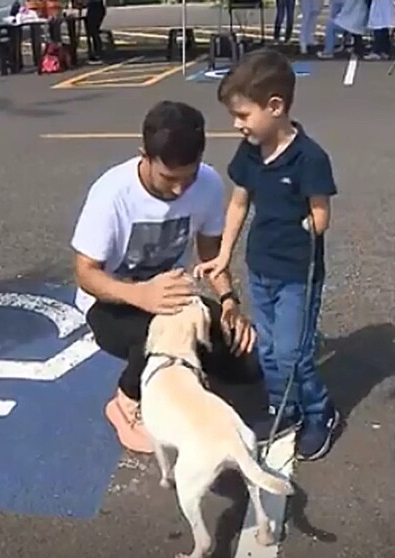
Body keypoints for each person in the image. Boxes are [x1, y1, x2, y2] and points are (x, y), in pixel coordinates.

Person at [70, 100, 258, 454]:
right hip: (111, 303)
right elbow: (85, 274)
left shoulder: (208, 184)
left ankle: (185, 370)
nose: (178, 190)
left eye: (188, 177)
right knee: (157, 336)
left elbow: (209, 256)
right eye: (169, 178)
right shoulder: (112, 194)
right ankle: (124, 403)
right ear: (145, 154)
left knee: (243, 365)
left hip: (172, 296)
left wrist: (230, 301)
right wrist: (140, 295)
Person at [194, 49, 340, 462]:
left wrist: (314, 224)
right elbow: (239, 204)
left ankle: (319, 411)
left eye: (243, 115)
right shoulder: (251, 154)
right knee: (270, 348)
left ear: (275, 107)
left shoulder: (310, 157)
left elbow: (321, 210)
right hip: (261, 269)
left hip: (297, 274)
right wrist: (224, 257)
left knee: (295, 352)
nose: (238, 125)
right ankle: (283, 406)